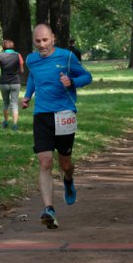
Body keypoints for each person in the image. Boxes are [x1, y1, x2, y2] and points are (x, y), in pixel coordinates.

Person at [22, 24, 92, 229]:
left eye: (45, 40)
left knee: (64, 164)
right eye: (37, 41)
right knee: (45, 161)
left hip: (64, 114)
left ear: (52, 38)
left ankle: (69, 179)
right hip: (41, 114)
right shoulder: (31, 59)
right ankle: (49, 209)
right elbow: (33, 77)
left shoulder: (67, 57)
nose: (41, 45)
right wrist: (28, 96)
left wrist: (72, 82)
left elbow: (87, 76)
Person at [0, 39, 24, 131]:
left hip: (4, 82)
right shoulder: (18, 55)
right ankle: (15, 124)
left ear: (3, 47)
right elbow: (22, 70)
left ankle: (6, 121)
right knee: (14, 103)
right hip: (15, 82)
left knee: (6, 102)